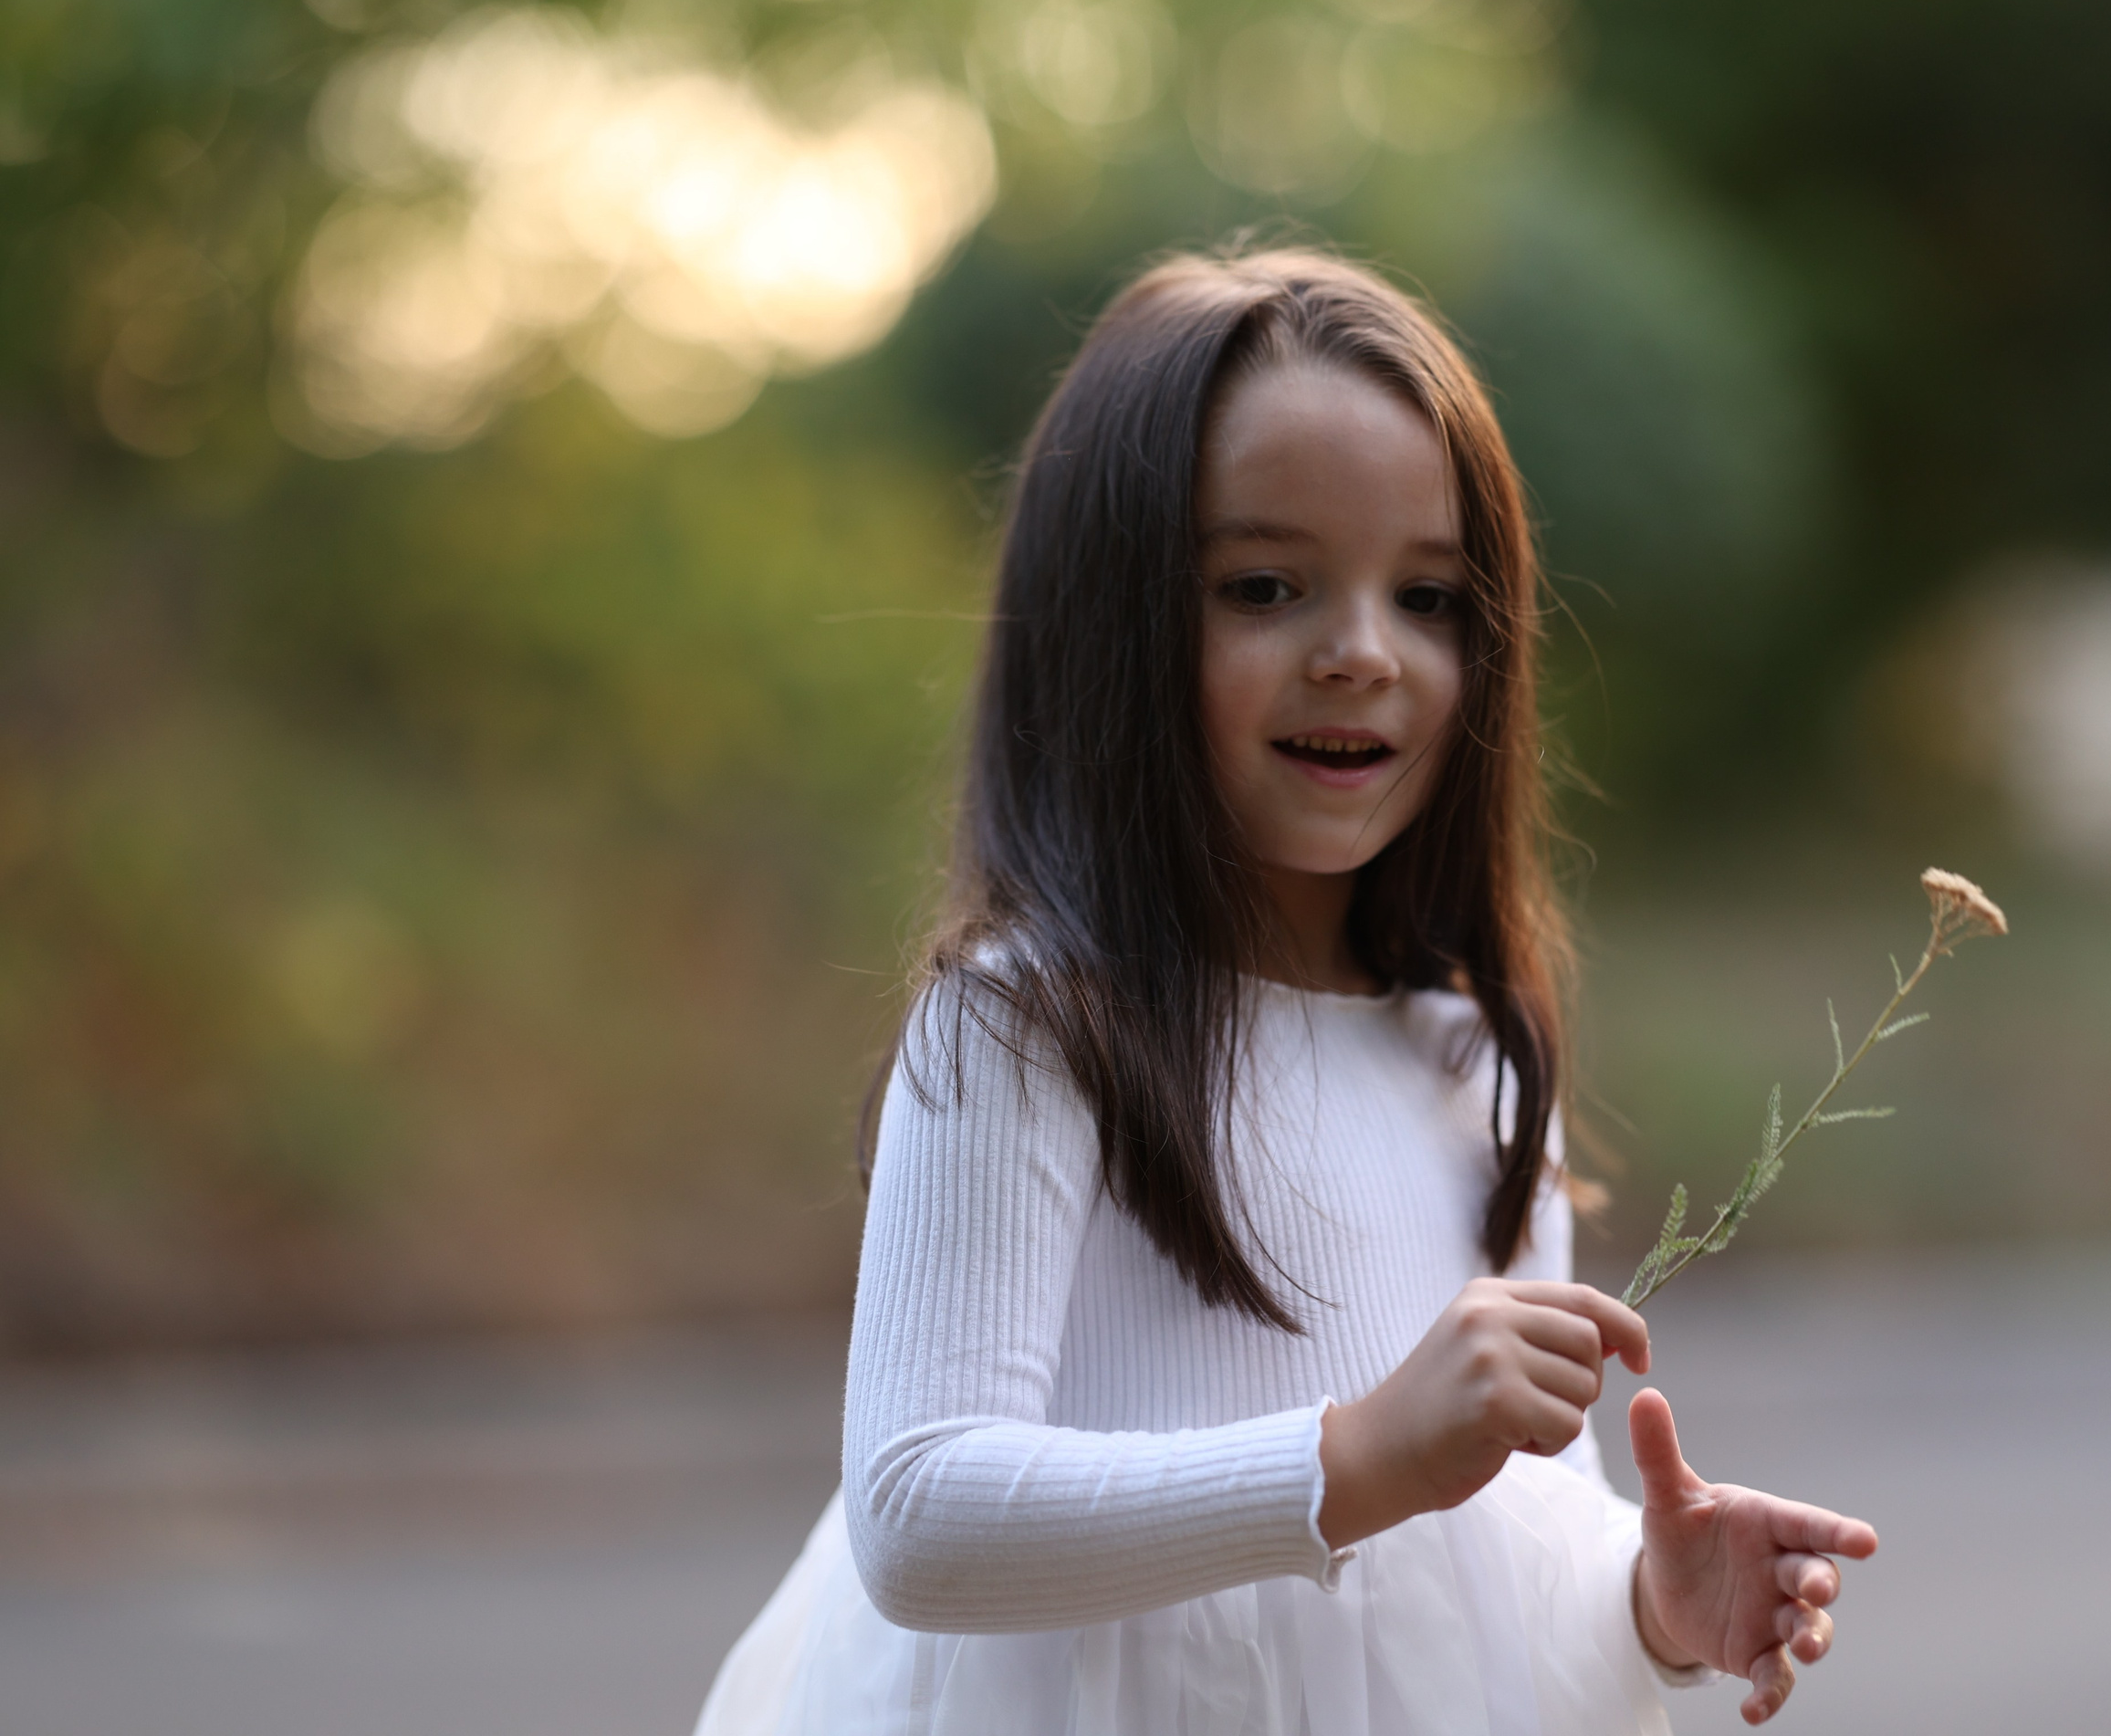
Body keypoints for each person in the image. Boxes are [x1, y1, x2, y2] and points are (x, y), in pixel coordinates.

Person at [695, 246, 1876, 1736]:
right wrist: (1353, 1455)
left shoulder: (1474, 1061)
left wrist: (1647, 1604)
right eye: (1266, 587)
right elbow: (922, 1510)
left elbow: (1499, 1543)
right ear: (1110, 630)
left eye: (1431, 597)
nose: (1363, 653)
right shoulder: (1035, 1032)